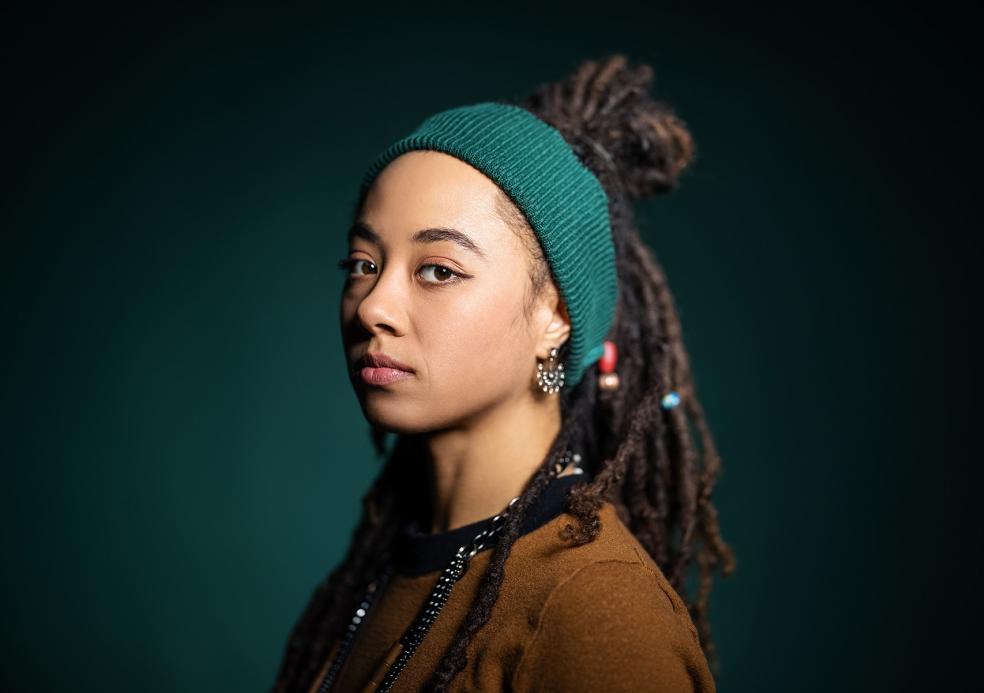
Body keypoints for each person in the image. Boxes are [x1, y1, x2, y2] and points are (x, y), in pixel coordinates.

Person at [273, 53, 736, 693]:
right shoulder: (394, 561)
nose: (373, 306)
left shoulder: (595, 609)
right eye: (363, 263)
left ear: (557, 316)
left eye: (439, 269)